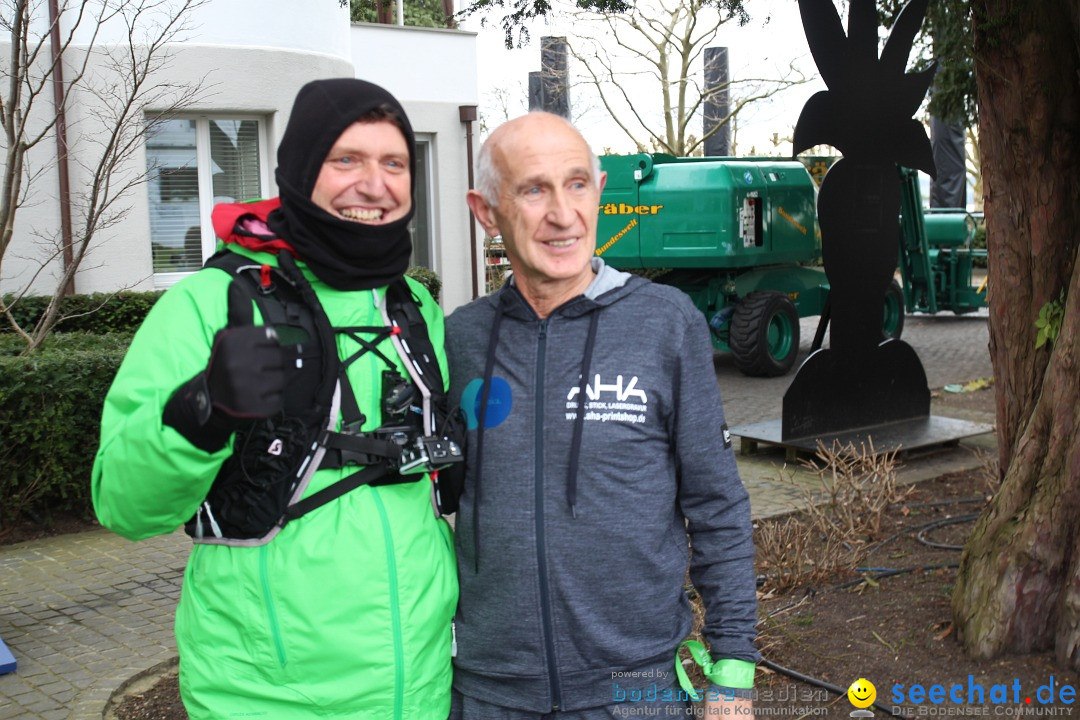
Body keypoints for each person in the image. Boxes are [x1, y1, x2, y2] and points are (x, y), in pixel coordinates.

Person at [92, 79, 458, 719]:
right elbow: (124, 507)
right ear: (298, 171)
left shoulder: (414, 306)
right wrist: (202, 415)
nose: (373, 184)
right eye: (345, 159)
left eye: (393, 163)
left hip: (419, 684)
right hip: (267, 696)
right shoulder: (207, 304)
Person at [445, 112, 759, 719]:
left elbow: (717, 504)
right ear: (486, 211)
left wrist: (734, 671)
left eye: (578, 184)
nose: (563, 214)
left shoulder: (666, 324)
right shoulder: (459, 339)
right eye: (534, 189)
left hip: (635, 694)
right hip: (487, 694)